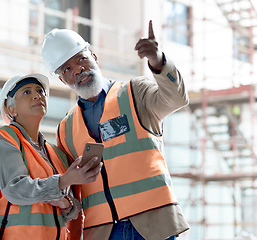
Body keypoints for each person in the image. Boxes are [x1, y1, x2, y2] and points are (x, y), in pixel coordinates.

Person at [41, 20, 190, 240]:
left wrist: (158, 61)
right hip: (103, 232)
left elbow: (176, 98)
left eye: (81, 58)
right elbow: (72, 191)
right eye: (68, 69)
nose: (78, 70)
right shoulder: (65, 128)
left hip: (152, 226)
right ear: (63, 79)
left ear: (95, 58)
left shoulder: (135, 93)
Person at [0, 73, 102, 240]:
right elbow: (15, 189)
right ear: (12, 109)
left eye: (40, 91)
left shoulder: (55, 152)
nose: (37, 95)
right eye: (26, 92)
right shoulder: (4, 139)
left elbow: (70, 210)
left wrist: (67, 204)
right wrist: (64, 180)